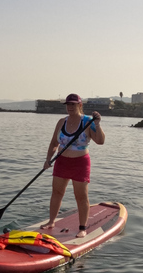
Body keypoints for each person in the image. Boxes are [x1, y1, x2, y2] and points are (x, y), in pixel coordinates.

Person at [40, 94, 105, 237]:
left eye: (73, 105)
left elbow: (100, 141)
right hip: (61, 161)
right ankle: (51, 221)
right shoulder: (61, 122)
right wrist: (48, 159)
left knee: (80, 196)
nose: (69, 107)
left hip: (80, 163)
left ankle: (82, 228)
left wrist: (98, 124)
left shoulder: (88, 121)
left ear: (80, 106)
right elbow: (53, 143)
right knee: (57, 192)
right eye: (68, 105)